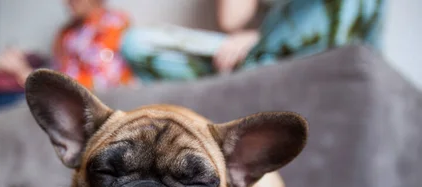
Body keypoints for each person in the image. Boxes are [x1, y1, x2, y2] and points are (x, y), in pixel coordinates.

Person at [120, 0, 385, 82]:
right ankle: (264, 67)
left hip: (334, 44)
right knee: (135, 42)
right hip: (266, 51)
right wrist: (258, 38)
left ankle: (352, 73)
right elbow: (232, 21)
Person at [0, 0, 135, 127]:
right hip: (57, 88)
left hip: (75, 92)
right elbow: (58, 67)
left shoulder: (112, 23)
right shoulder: (66, 31)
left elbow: (102, 80)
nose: (68, 3)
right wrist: (20, 62)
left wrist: (24, 73)